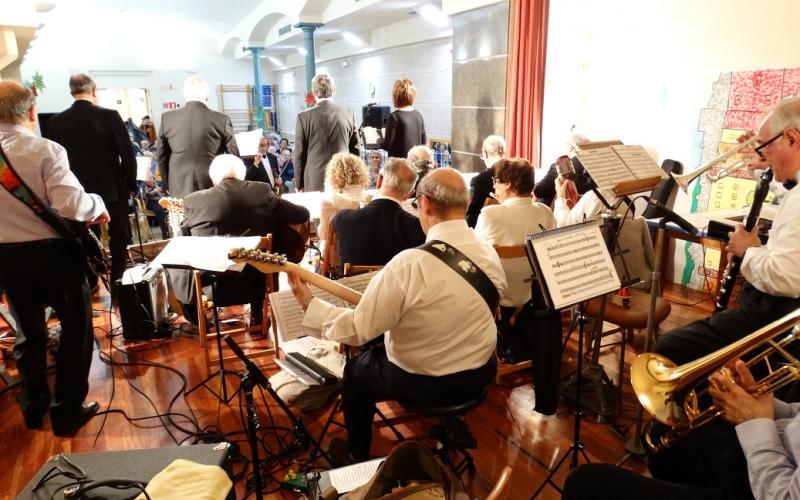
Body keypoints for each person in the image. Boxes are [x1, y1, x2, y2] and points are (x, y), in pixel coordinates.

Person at [286, 167, 507, 463]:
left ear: (425, 203)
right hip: (479, 374)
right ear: (465, 204)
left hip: (419, 383)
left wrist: (308, 304)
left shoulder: (409, 264)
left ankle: (357, 455)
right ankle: (452, 423)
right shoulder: (488, 252)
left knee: (355, 373)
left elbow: (359, 329)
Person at [655, 98, 800, 367]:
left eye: (766, 146)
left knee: (668, 349)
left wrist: (749, 250)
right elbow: (788, 186)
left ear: (792, 138)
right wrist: (759, 164)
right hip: (781, 313)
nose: (763, 154)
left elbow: (786, 279)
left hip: (778, 318)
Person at [0, 80, 109, 435]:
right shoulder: (44, 150)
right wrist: (98, 203)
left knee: (28, 332)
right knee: (76, 330)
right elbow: (71, 205)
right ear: (30, 112)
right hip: (52, 256)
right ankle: (67, 411)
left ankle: (34, 407)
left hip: (6, 258)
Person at [562, 359, 794, 500]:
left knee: (583, 483)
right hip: (777, 457)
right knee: (661, 434)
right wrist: (753, 397)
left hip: (769, 485)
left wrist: (754, 421)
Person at [166, 154, 309, 327]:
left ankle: (199, 321)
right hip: (258, 284)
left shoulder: (194, 201)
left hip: (213, 287)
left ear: (213, 179)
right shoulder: (262, 191)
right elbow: (302, 214)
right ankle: (258, 313)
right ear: (242, 176)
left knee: (177, 261)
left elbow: (184, 243)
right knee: (264, 252)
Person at [45, 73, 137, 286]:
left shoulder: (56, 122)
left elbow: (54, 163)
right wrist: (130, 184)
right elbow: (127, 154)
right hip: (112, 187)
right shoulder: (110, 115)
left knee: (84, 235)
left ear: (71, 92)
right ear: (94, 91)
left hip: (77, 191)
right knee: (119, 235)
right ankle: (118, 279)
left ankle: (93, 279)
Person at [474, 158, 555, 362]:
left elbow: (477, 254)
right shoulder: (545, 212)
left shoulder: (489, 214)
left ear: (508, 184)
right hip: (534, 297)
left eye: (496, 181)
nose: (494, 186)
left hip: (501, 297)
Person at [333, 157, 425, 272]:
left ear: (379, 180)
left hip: (350, 288)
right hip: (396, 289)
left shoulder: (342, 219)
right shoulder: (417, 228)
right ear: (409, 194)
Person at [157, 76, 239, 198]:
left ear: (186, 95)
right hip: (212, 183)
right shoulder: (221, 119)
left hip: (178, 184)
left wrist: (166, 184)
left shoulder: (167, 118)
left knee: (183, 216)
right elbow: (234, 155)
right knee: (212, 216)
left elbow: (162, 155)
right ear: (207, 96)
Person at [293, 74, 359, 192]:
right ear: (334, 90)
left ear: (313, 92)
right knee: (344, 210)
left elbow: (299, 155)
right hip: (343, 179)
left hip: (314, 181)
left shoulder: (303, 117)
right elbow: (355, 151)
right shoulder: (349, 114)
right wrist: (356, 180)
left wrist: (299, 184)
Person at [317, 152, 369, 243]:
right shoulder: (368, 198)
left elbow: (324, 235)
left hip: (340, 253)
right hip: (365, 250)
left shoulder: (329, 202)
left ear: (333, 174)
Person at [533, 130, 593, 207]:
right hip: (588, 210)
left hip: (563, 211)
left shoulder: (560, 166)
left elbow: (539, 191)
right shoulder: (596, 165)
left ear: (570, 148)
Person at [376, 79, 427, 158]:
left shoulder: (394, 117)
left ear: (395, 96)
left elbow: (386, 145)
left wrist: (377, 139)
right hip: (415, 165)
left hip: (399, 166)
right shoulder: (418, 116)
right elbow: (424, 142)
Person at [465, 135, 506, 228]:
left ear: (485, 154)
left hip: (487, 231)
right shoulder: (518, 173)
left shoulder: (480, 181)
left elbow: (471, 214)